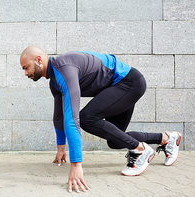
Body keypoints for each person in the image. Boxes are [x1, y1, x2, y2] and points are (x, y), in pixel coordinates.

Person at [19, 46, 182, 193]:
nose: (25, 73)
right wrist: (61, 147)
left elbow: (71, 119)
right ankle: (167, 139)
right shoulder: (55, 82)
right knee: (116, 141)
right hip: (116, 88)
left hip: (129, 83)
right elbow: (59, 117)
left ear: (39, 59)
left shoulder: (64, 69)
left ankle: (141, 150)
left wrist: (76, 165)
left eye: (26, 67)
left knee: (85, 118)